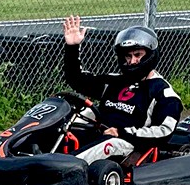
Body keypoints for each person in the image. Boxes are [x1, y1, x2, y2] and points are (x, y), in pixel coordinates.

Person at [59, 17, 183, 163]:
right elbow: (77, 80)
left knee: (108, 143)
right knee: (62, 128)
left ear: (150, 55)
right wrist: (72, 47)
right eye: (128, 56)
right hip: (101, 132)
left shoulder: (163, 92)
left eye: (138, 55)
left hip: (128, 144)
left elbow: (164, 131)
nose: (132, 61)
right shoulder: (115, 81)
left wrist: (121, 132)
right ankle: (34, 157)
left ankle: (64, 167)